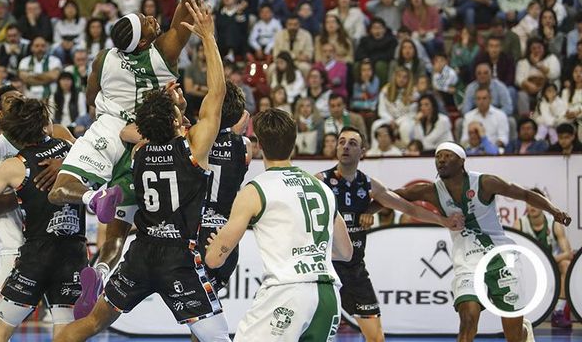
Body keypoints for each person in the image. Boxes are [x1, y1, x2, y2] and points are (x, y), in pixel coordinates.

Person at [55, 0, 229, 342]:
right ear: (176, 118)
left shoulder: (137, 150)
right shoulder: (194, 149)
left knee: (89, 326)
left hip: (141, 256)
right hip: (178, 257)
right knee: (216, 337)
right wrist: (208, 36)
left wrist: (162, 103)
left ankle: (103, 266)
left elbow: (126, 126)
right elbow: (217, 93)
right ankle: (103, 262)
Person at [48, 0, 200, 315]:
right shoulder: (164, 51)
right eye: (148, 22)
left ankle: (95, 239)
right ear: (147, 42)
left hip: (107, 128)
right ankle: (103, 264)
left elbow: (88, 95)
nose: (152, 17)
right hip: (147, 140)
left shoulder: (103, 57)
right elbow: (190, 1)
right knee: (124, 226)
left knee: (61, 189)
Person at [394, 142, 571, 342]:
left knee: (513, 336)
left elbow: (524, 194)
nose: (441, 160)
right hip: (467, 262)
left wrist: (555, 211)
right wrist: (365, 210)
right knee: (468, 321)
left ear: (461, 161)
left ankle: (523, 332)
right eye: (438, 156)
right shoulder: (431, 191)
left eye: (447, 156)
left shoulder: (485, 183)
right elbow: (391, 195)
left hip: (501, 257)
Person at [204, 108, 351, 341]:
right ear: (294, 142)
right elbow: (345, 252)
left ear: (259, 144)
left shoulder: (256, 190)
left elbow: (214, 259)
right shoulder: (321, 187)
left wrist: (215, 245)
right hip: (328, 297)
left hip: (287, 294)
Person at [318, 127, 463, 342]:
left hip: (355, 272)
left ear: (362, 152)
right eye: (341, 142)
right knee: (316, 335)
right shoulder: (320, 182)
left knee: (377, 338)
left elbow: (409, 208)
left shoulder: (369, 185)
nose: (346, 146)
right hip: (326, 271)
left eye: (352, 143)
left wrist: (443, 221)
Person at [0, 97, 82, 341]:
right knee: (66, 334)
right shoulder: (72, 150)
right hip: (73, 255)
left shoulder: (13, 166)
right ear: (45, 124)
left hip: (36, 257)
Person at [512, 188, 574, 327]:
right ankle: (517, 312)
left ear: (543, 204)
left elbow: (568, 253)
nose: (532, 206)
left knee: (566, 264)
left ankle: (558, 312)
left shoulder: (555, 223)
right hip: (529, 268)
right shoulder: (519, 224)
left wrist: (553, 259)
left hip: (552, 269)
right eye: (529, 202)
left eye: (536, 202)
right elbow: (515, 256)